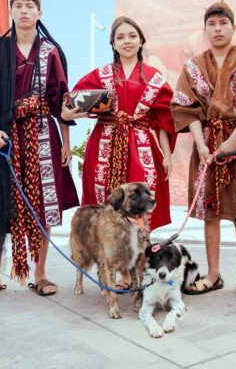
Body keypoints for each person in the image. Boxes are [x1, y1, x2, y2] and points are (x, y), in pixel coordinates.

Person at [0, 0, 79, 298]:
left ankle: (41, 273)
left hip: (44, 136)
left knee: (44, 204)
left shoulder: (51, 52)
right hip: (1, 138)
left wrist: (67, 144)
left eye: (30, 5)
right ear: (11, 11)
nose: (24, 10)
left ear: (39, 11)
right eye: (18, 5)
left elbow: (61, 99)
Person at [62, 16, 176, 290]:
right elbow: (68, 107)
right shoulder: (98, 76)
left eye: (132, 36)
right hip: (104, 144)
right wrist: (73, 110)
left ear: (141, 41)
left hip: (141, 146)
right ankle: (115, 272)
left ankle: (137, 270)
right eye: (120, 37)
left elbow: (165, 118)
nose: (127, 41)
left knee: (140, 208)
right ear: (112, 43)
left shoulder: (154, 78)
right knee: (108, 208)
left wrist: (166, 154)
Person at [170, 1, 236, 299]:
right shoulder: (193, 66)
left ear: (234, 28)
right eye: (212, 25)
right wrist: (200, 142)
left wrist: (234, 138)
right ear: (205, 30)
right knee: (210, 211)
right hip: (207, 145)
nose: (218, 29)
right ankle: (213, 274)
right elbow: (185, 105)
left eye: (223, 24)